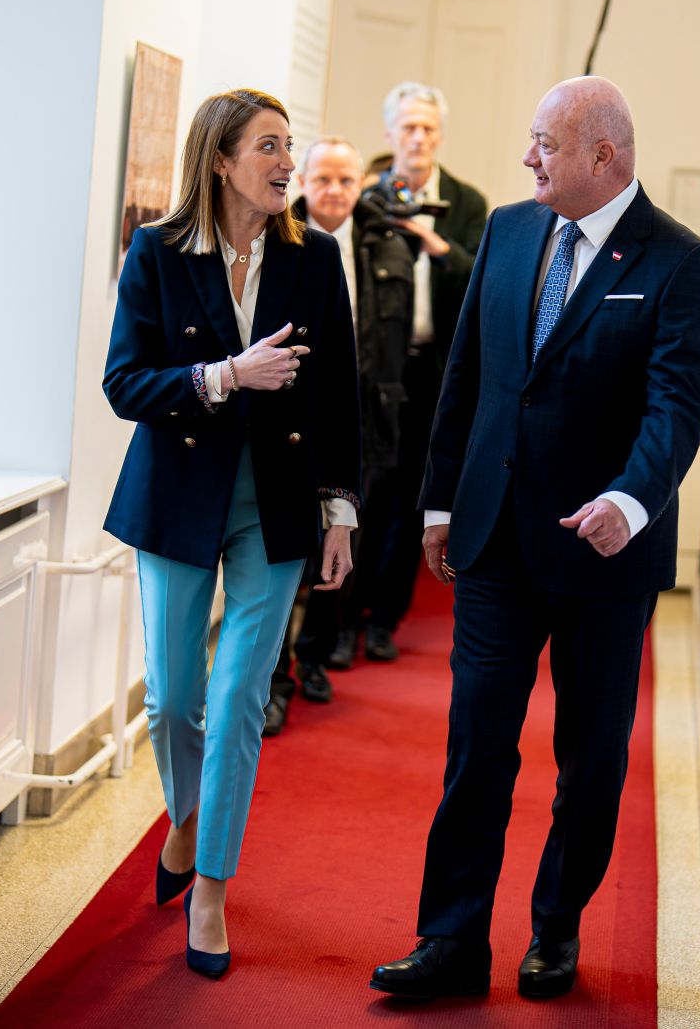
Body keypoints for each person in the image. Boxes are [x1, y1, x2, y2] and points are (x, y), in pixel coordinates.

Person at [370, 77, 700, 1000]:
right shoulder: (512, 231)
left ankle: (556, 926)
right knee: (476, 740)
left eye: (544, 144)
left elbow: (675, 409)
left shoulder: (679, 261)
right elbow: (471, 375)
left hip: (604, 555)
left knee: (589, 755)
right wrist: (440, 503)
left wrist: (630, 501)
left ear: (604, 157)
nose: (528, 159)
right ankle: (449, 938)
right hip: (493, 540)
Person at [103, 88, 361, 979]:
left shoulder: (315, 257)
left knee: (241, 696)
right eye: (269, 147)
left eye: (289, 145)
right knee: (175, 697)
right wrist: (224, 375)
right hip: (177, 493)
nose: (288, 162)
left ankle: (209, 885)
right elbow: (124, 382)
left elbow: (338, 395)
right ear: (220, 160)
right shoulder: (158, 251)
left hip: (279, 502)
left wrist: (341, 509)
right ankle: (184, 823)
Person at [347, 82, 487, 665]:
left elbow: (479, 281)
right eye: (408, 127)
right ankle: (340, 620)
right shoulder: (365, 199)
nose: (418, 137)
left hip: (435, 371)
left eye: (428, 127)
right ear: (389, 135)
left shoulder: (468, 201)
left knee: (413, 501)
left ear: (441, 135)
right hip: (374, 371)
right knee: (360, 498)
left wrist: (433, 242)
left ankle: (384, 618)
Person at [263, 136, 365, 736]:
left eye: (345, 180)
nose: (332, 190)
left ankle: (316, 655)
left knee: (334, 545)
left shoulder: (371, 244)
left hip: (350, 409)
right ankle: (273, 683)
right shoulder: (288, 242)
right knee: (279, 565)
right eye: (321, 178)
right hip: (281, 430)